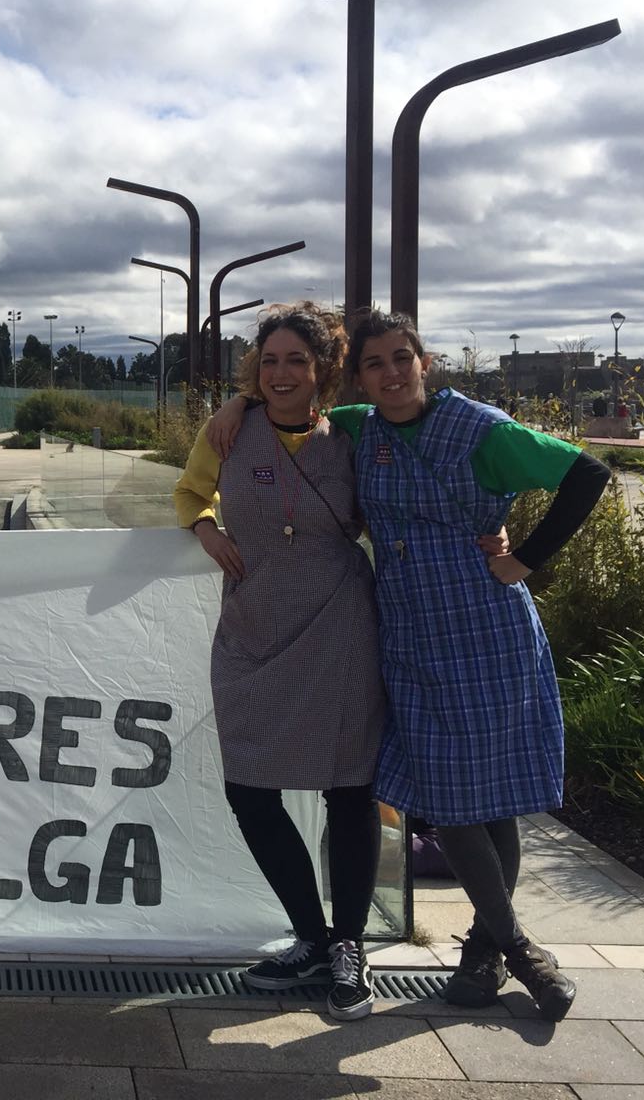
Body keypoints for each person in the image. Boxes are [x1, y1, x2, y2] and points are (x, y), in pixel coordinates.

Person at [207, 309, 610, 1021]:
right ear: (358, 377)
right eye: (375, 364)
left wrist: (524, 558)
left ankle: (495, 949)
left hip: (486, 629)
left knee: (485, 798)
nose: (391, 373)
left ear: (424, 362)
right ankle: (504, 948)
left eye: (402, 358)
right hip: (406, 634)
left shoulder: (482, 428)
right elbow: (289, 401)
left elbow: (587, 473)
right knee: (453, 795)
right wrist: (237, 404)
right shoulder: (358, 427)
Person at [173, 302, 386, 1021]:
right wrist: (206, 528)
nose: (282, 373)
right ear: (254, 371)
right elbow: (188, 491)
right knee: (249, 788)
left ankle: (348, 946)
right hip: (253, 629)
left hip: (339, 627)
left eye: (297, 360)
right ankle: (311, 935)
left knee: (349, 788)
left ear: (324, 368)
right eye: (269, 361)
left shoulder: (353, 433)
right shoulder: (229, 431)